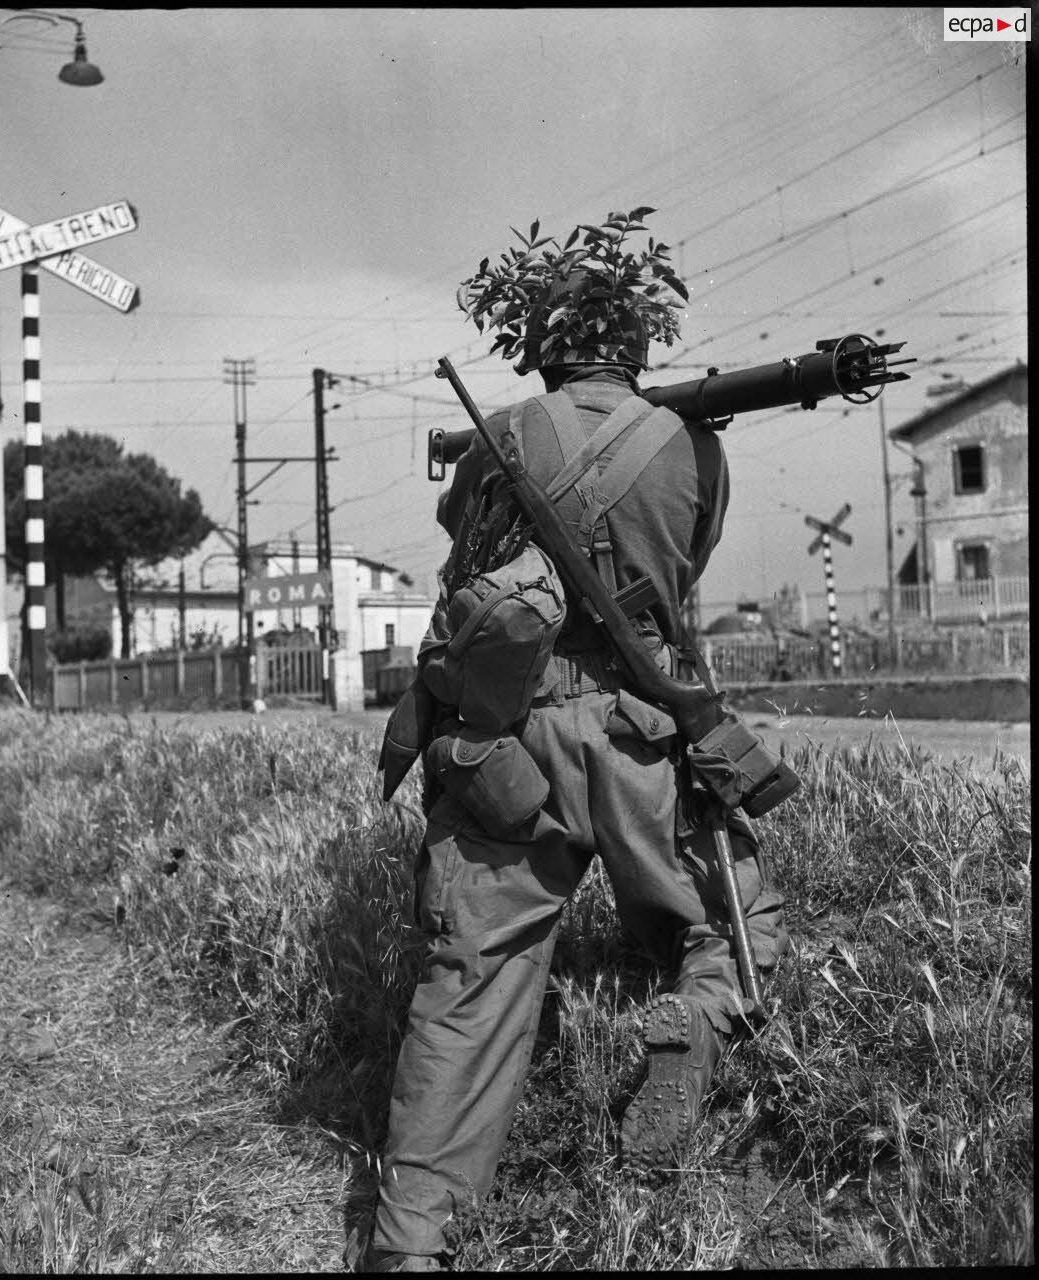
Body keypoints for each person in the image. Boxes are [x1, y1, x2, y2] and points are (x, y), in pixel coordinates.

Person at [354, 212, 789, 1273]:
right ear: (640, 345)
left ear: (538, 344)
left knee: (471, 981)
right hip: (639, 731)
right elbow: (679, 578)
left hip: (506, 734)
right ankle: (690, 1011)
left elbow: (468, 569)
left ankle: (409, 1247)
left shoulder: (495, 439)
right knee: (726, 917)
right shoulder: (692, 449)